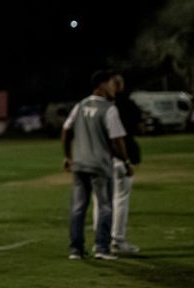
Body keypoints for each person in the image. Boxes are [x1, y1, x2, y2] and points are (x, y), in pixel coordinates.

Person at [62, 70, 132, 260]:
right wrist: (125, 161)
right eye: (111, 83)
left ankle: (75, 249)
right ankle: (101, 248)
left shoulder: (80, 105)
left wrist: (68, 156)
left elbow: (66, 130)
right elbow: (117, 139)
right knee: (105, 206)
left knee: (78, 208)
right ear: (101, 85)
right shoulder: (109, 109)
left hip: (79, 164)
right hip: (100, 166)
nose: (114, 88)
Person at [92, 73, 142, 253]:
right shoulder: (123, 105)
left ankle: (100, 241)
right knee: (120, 200)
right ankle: (116, 241)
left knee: (100, 201)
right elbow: (128, 132)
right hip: (118, 158)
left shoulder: (94, 105)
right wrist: (127, 159)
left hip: (98, 158)